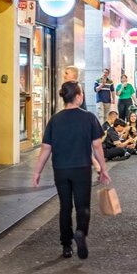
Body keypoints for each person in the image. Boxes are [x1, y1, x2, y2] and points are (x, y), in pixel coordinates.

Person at [33, 81, 110, 259]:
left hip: (61, 169)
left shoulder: (55, 120)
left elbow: (46, 148)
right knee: (82, 206)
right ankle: (81, 233)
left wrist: (37, 172)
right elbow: (97, 145)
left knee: (65, 207)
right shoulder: (89, 117)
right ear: (77, 97)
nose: (82, 96)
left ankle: (66, 246)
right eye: (81, 93)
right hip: (81, 168)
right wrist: (103, 168)